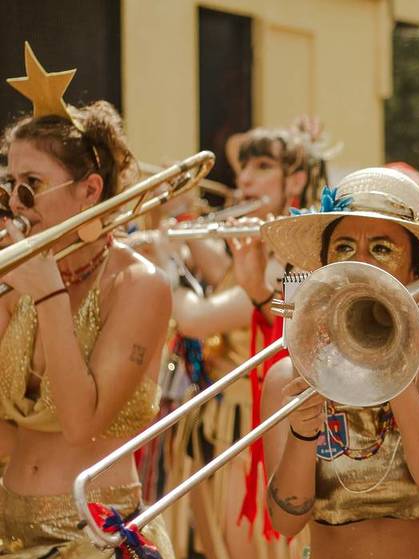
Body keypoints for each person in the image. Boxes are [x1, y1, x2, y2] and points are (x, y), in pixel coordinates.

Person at [259, 167, 419, 559]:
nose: (361, 262)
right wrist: (301, 434)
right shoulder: (288, 376)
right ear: (324, 264)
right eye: (344, 247)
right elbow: (286, 522)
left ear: (418, 270)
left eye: (382, 249)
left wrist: (392, 366)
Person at [0, 44, 173, 557]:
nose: (15, 203)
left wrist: (49, 293)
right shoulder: (18, 276)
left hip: (93, 532)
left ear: (90, 189)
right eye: (10, 185)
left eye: (31, 185)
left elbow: (80, 425)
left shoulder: (138, 284)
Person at [156, 126, 323, 559]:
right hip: (225, 419)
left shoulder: (296, 255)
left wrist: (165, 265)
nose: (245, 178)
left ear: (296, 180)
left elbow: (197, 318)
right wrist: (180, 220)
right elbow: (225, 277)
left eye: (262, 167)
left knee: (252, 546)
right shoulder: (259, 244)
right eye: (243, 167)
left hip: (257, 420)